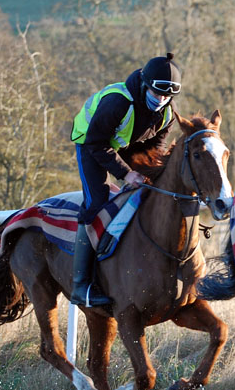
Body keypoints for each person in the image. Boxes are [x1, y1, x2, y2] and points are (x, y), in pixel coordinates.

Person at [69, 52, 182, 306]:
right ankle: (81, 286)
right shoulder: (117, 103)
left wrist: (151, 175)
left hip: (125, 143)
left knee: (149, 194)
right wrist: (125, 173)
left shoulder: (167, 113)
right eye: (157, 94)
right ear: (144, 85)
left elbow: (155, 148)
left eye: (167, 97)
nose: (162, 100)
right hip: (91, 142)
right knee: (96, 203)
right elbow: (97, 144)